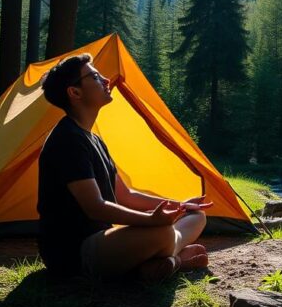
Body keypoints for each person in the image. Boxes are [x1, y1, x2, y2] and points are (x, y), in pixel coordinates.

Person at [37, 53, 210, 280]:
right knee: (163, 233)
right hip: (74, 253)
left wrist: (180, 206)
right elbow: (95, 208)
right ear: (75, 92)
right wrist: (151, 221)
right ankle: (175, 258)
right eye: (95, 77)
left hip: (103, 240)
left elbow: (125, 195)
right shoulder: (67, 140)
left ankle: (158, 259)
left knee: (196, 215)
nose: (106, 80)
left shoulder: (93, 139)